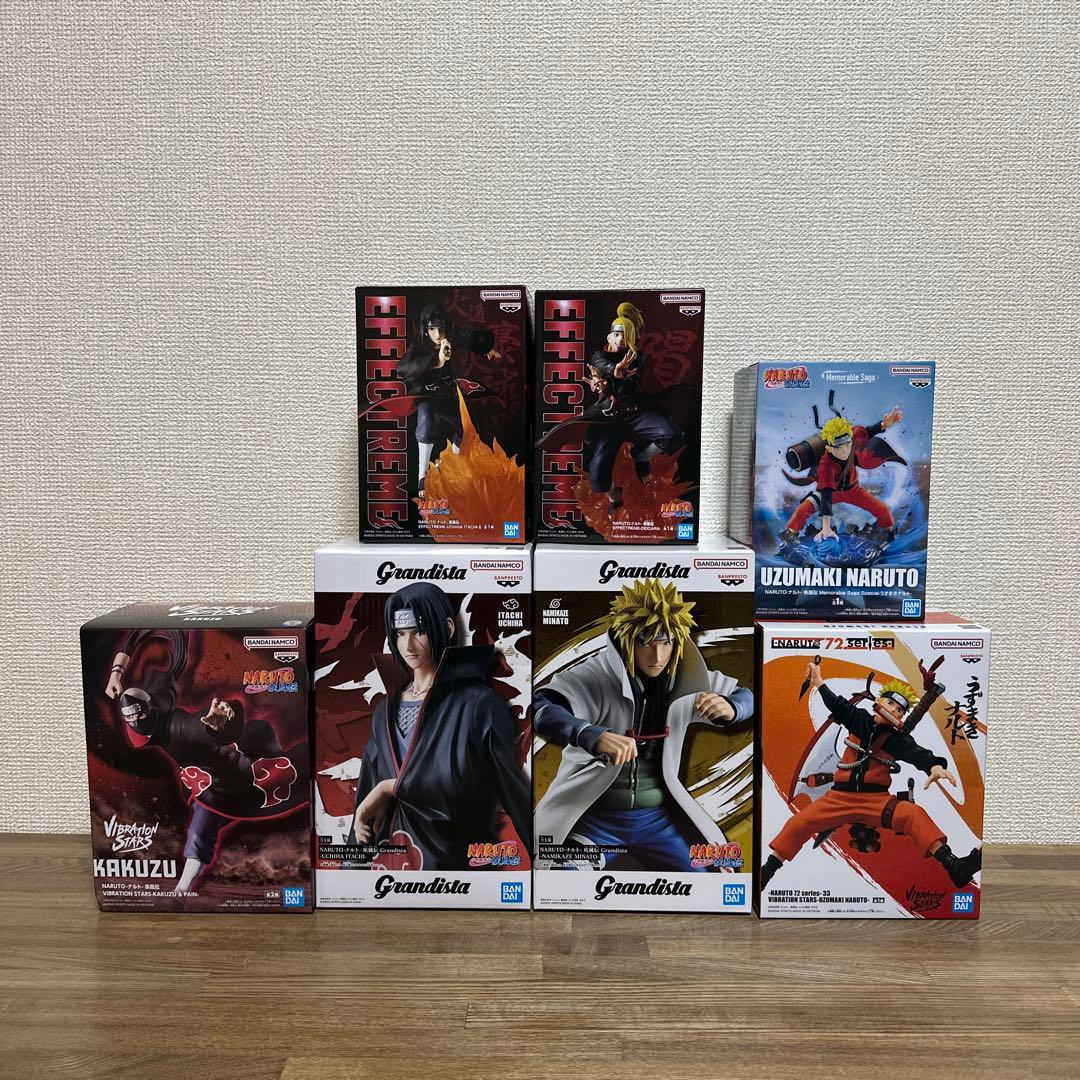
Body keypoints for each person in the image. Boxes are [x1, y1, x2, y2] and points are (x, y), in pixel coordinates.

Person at [533, 579, 753, 872]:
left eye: (666, 643)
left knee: (713, 877)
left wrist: (732, 707)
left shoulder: (687, 676)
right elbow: (542, 707)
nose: (657, 656)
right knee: (563, 876)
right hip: (594, 821)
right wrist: (590, 735)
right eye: (645, 643)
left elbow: (745, 696)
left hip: (659, 822)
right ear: (625, 640)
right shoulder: (595, 676)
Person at [105, 630, 308, 893]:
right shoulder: (159, 695)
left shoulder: (180, 730)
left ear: (150, 712)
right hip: (213, 772)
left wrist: (213, 725)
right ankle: (183, 888)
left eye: (138, 719)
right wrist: (117, 672)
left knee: (201, 831)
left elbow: (196, 728)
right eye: (130, 720)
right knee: (200, 830)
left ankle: (182, 890)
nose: (135, 724)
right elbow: (176, 657)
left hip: (231, 784)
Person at [349, 582, 530, 870]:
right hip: (390, 865)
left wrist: (390, 787)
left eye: (419, 631)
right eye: (400, 634)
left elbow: (475, 785)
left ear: (446, 628)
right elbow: (366, 797)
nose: (408, 646)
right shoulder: (385, 709)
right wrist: (350, 870)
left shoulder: (480, 704)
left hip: (455, 861)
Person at [760, 660, 982, 889]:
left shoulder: (896, 740)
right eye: (891, 703)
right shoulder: (857, 720)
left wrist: (934, 766)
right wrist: (818, 682)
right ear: (878, 702)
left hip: (876, 801)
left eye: (900, 710)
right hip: (839, 798)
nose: (894, 710)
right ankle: (768, 870)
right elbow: (837, 705)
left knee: (914, 815)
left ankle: (953, 865)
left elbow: (917, 753)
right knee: (799, 822)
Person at [394, 302, 502, 496]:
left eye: (440, 328)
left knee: (468, 427)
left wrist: (486, 347)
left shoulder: (450, 334)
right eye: (432, 329)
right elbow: (403, 368)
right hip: (426, 395)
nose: (437, 334)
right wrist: (437, 360)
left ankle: (449, 463)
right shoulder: (418, 344)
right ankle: (422, 475)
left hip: (447, 394)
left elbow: (469, 337)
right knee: (427, 421)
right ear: (425, 329)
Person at [785, 410, 902, 543]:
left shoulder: (851, 438)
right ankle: (790, 538)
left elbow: (868, 431)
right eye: (839, 448)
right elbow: (826, 495)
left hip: (854, 491)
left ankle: (889, 534)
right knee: (801, 511)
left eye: (847, 445)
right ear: (829, 448)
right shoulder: (826, 464)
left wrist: (885, 424)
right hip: (831, 493)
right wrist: (826, 528)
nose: (845, 451)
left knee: (883, 510)